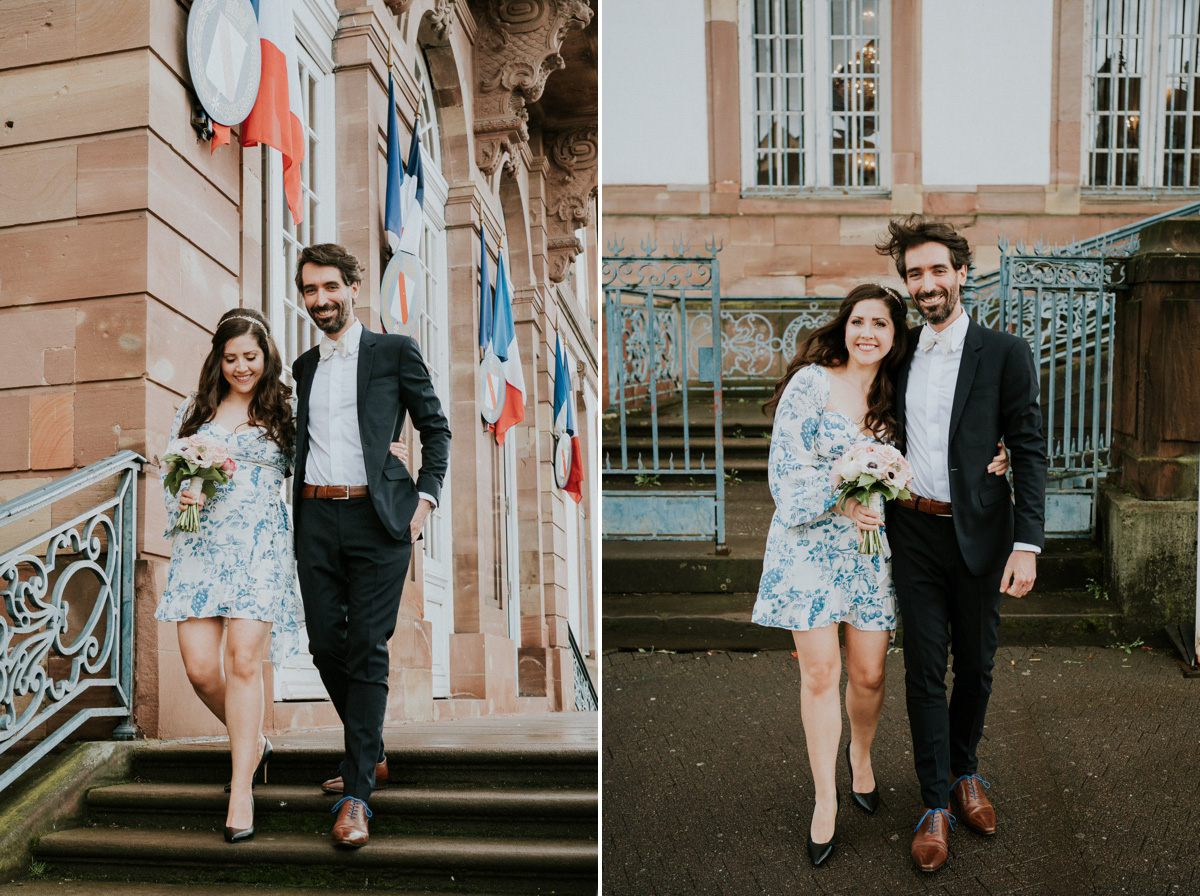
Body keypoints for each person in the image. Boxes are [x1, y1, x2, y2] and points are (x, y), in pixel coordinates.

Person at [752, 285, 1010, 868]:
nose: (867, 332)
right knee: (821, 673)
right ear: (844, 326)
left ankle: (861, 759)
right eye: (859, 321)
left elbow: (945, 440)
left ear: (896, 337)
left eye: (881, 325)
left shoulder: (899, 393)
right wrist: (840, 497)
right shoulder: (811, 383)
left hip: (872, 553)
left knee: (868, 676)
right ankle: (825, 803)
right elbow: (785, 476)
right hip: (807, 549)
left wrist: (999, 455)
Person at [156, 308, 409, 845]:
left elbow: (337, 449)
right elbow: (170, 469)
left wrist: (382, 455)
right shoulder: (194, 410)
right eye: (231, 359)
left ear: (265, 357)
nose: (241, 368)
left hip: (258, 548)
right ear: (217, 360)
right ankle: (254, 743)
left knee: (243, 661)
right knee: (202, 670)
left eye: (250, 357)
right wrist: (181, 488)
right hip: (199, 546)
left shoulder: (285, 413)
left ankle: (241, 786)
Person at [876, 216, 1047, 873]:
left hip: (983, 531)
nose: (927, 284)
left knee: (975, 665)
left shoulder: (1006, 353)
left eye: (937, 270)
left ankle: (965, 770)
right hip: (912, 529)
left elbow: (1027, 446)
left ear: (962, 273)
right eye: (915, 274)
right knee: (923, 668)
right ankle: (933, 804)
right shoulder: (895, 353)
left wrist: (1027, 542)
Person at [291, 243, 451, 848]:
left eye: (330, 287)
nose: (320, 300)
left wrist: (424, 502)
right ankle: (372, 748)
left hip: (379, 518)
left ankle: (357, 794)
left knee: (366, 643)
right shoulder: (304, 368)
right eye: (310, 290)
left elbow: (435, 427)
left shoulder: (394, 351)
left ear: (353, 287)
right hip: (314, 517)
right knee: (323, 641)